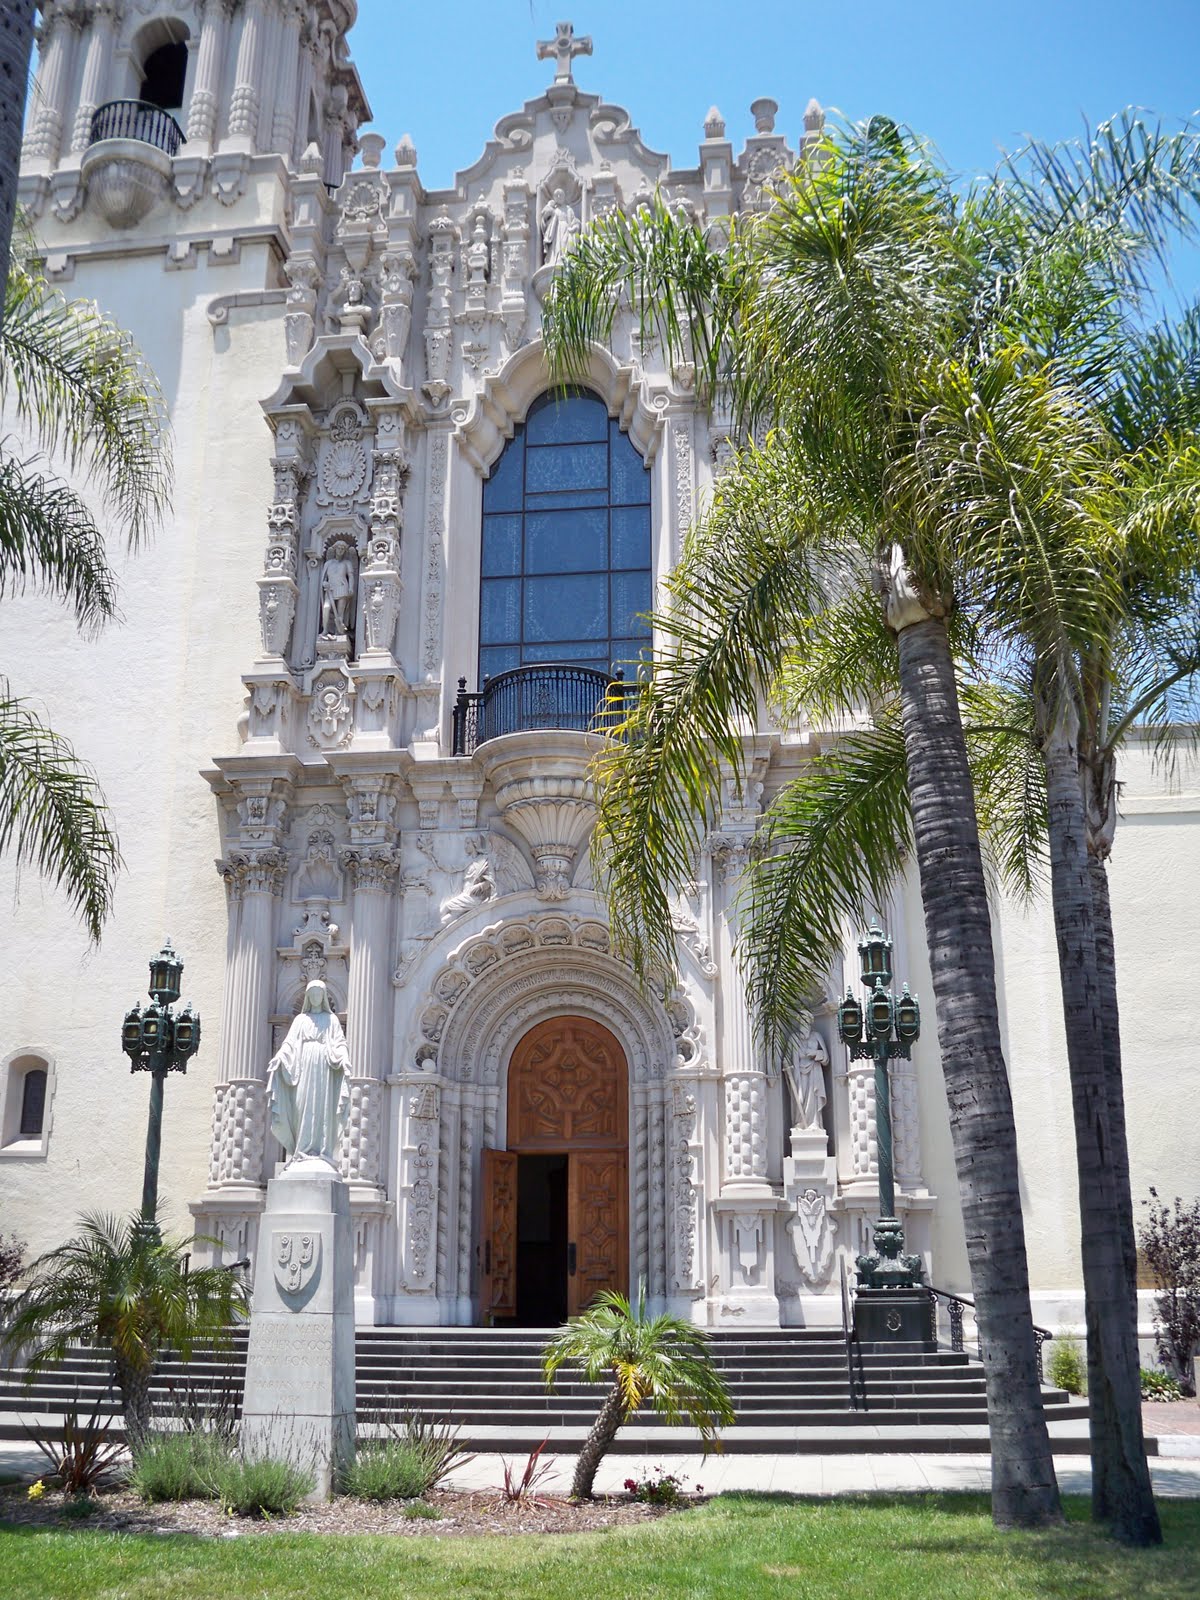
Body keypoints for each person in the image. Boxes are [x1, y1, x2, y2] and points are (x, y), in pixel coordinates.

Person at [267, 979, 351, 1164]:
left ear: (323, 998)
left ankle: (322, 1150)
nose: (315, 998)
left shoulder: (332, 1020)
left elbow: (339, 1043)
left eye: (318, 995)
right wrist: (279, 1057)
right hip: (304, 1066)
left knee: (322, 1108)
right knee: (301, 1105)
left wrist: (343, 1058)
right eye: (311, 995)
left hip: (324, 1067)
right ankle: (301, 1150)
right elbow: (289, 1043)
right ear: (307, 997)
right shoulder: (300, 1020)